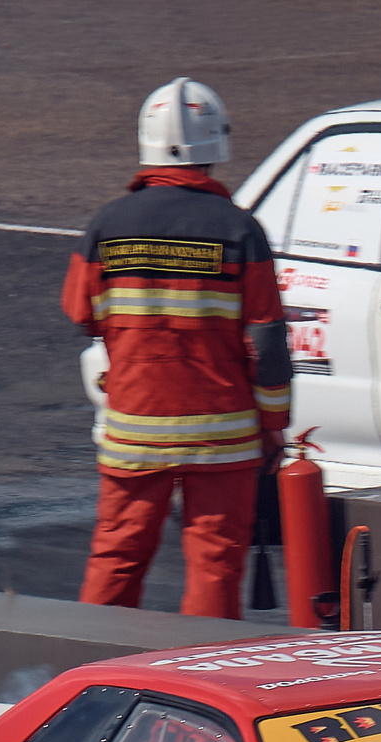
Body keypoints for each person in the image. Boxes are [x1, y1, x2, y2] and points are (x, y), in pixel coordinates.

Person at [61, 78, 292, 620]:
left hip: (134, 431)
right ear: (216, 147)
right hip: (225, 435)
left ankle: (94, 679)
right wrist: (275, 424)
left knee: (117, 559)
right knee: (215, 568)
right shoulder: (240, 230)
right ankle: (200, 686)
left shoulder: (107, 226)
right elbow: (268, 340)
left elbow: (80, 313)